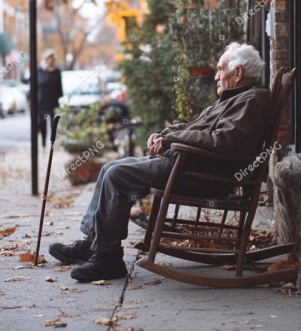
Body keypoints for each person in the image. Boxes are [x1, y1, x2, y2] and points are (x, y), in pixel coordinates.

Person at [49, 42, 273, 282]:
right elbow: (194, 128)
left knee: (118, 175)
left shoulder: (252, 100)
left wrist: (173, 139)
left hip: (203, 175)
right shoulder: (232, 98)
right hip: (188, 165)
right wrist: (165, 134)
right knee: (109, 168)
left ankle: (108, 257)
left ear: (238, 72)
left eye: (220, 69)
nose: (216, 76)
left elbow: (224, 142)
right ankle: (94, 242)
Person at [37, 49, 63, 147]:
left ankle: (52, 143)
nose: (50, 61)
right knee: (42, 123)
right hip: (41, 102)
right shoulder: (39, 71)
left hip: (53, 102)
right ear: (46, 59)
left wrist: (59, 99)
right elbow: (34, 86)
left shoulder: (57, 72)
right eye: (49, 59)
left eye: (52, 59)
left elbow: (59, 88)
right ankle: (43, 143)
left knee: (53, 124)